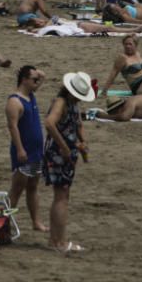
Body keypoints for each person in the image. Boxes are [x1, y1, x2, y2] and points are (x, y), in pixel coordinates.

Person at [43, 71, 93, 255]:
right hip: (59, 154)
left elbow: (78, 124)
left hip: (67, 154)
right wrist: (64, 147)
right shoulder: (61, 102)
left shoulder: (71, 103)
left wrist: (83, 141)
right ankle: (59, 242)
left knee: (63, 196)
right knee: (61, 198)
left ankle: (55, 240)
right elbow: (49, 123)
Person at [6, 65, 48, 232]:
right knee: (17, 190)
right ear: (24, 80)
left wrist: (37, 73)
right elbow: (12, 127)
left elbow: (43, 76)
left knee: (33, 187)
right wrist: (20, 149)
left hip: (36, 151)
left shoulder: (30, 95)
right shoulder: (14, 101)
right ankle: (4, 221)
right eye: (33, 80)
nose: (37, 82)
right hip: (24, 151)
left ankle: (36, 222)